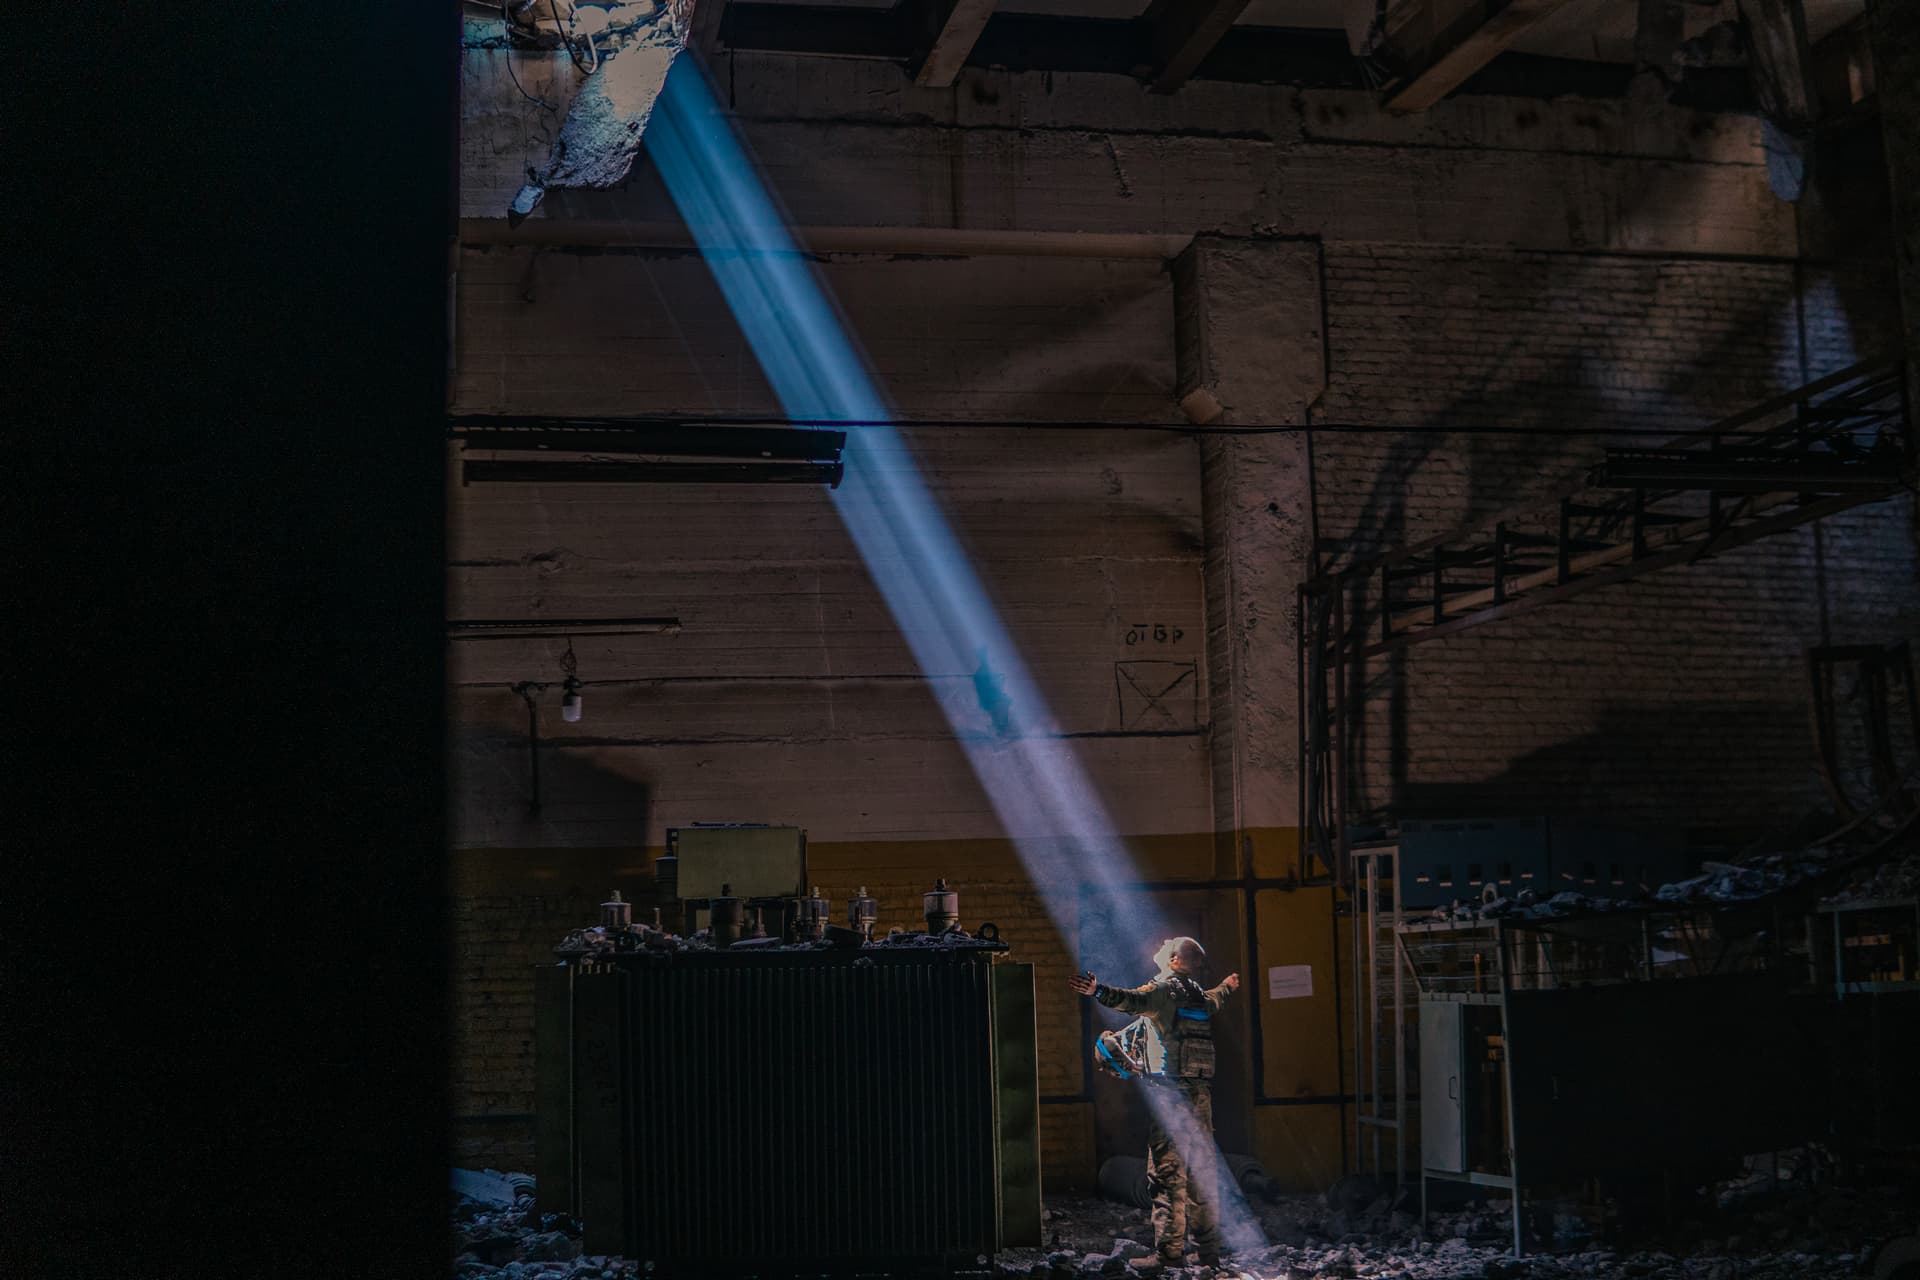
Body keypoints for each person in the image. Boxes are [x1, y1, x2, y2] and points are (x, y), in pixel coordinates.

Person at [1070, 937, 1241, 1269]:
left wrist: (1097, 991)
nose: (1163, 942)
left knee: (1166, 1174)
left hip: (1171, 1095)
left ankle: (1169, 1254)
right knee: (1201, 1173)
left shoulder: (1164, 991)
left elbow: (1131, 1001)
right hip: (1199, 1095)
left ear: (1175, 960)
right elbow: (1216, 999)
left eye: (1169, 943)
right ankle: (1208, 1253)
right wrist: (1228, 985)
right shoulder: (1197, 996)